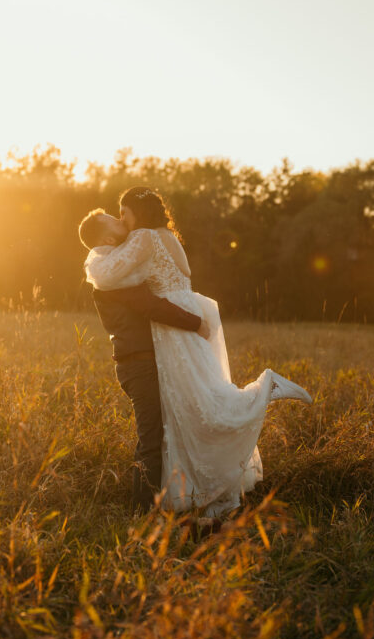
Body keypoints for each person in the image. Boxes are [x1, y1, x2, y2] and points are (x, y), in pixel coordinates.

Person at [82, 187, 312, 518]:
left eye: (123, 211)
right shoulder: (163, 234)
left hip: (176, 329)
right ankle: (197, 494)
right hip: (180, 323)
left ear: (138, 211)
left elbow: (116, 280)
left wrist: (93, 263)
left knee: (198, 410)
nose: (121, 218)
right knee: (195, 408)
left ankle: (264, 390)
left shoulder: (143, 237)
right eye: (115, 216)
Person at [78, 208, 211, 512]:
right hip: (139, 365)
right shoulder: (114, 275)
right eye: (115, 219)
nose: (122, 219)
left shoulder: (114, 269)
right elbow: (151, 306)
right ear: (109, 237)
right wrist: (196, 323)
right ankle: (141, 512)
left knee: (159, 434)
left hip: (139, 362)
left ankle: (164, 501)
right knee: (150, 439)